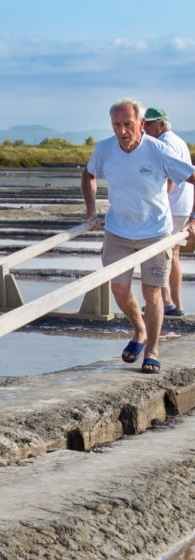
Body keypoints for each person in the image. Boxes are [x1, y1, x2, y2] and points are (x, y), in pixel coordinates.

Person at [82, 98, 195, 374]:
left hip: (154, 233)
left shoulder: (158, 151)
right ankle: (140, 330)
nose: (122, 131)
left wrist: (192, 219)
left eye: (128, 125)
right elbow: (88, 175)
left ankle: (153, 351)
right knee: (119, 288)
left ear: (141, 124)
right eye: (117, 125)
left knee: (152, 291)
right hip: (118, 230)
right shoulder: (105, 149)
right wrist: (91, 212)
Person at [143, 107, 193, 316]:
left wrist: (155, 202)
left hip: (171, 206)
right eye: (143, 124)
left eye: (149, 124)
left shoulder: (164, 143)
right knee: (172, 255)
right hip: (182, 204)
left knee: (159, 254)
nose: (144, 128)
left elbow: (169, 178)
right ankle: (175, 303)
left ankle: (165, 302)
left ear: (161, 124)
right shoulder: (178, 140)